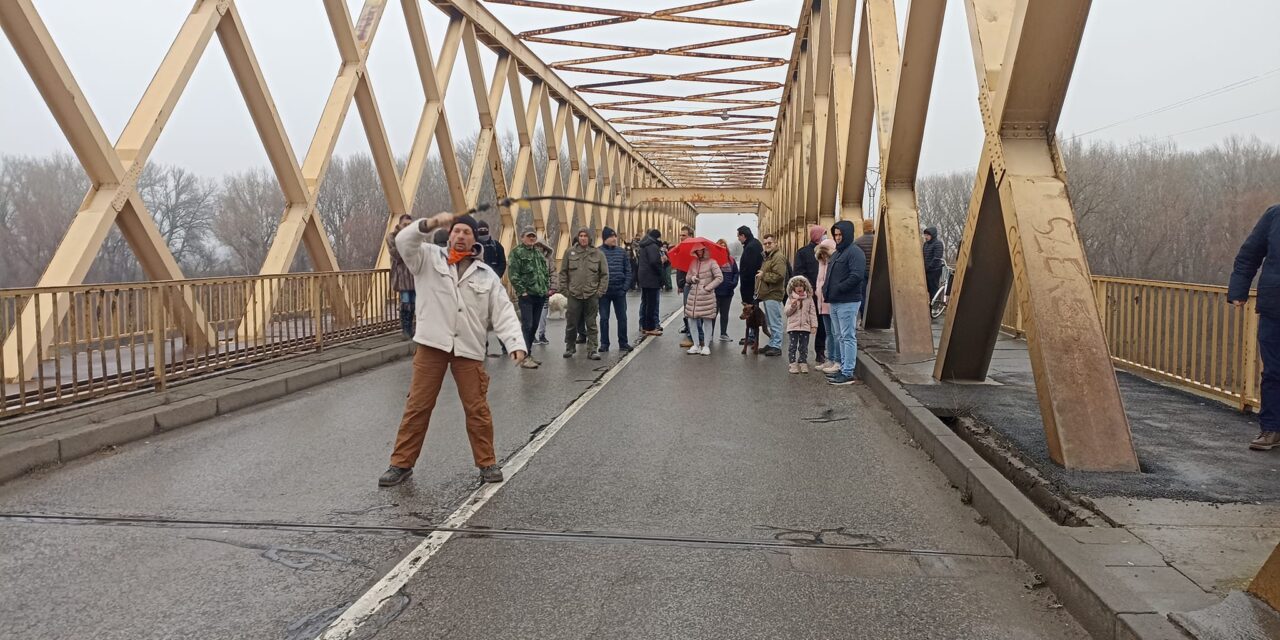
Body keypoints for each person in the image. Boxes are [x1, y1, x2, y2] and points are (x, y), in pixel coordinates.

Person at [378, 212, 525, 488]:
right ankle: (401, 463)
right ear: (450, 234)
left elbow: (503, 310)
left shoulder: (486, 275)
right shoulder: (428, 258)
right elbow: (402, 240)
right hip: (432, 344)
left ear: (474, 239)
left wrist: (515, 344)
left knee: (477, 408)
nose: (460, 236)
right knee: (418, 406)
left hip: (468, 347)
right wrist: (430, 223)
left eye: (466, 233)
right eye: (456, 231)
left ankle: (487, 463)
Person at [1229, 203, 1280, 451]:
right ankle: (1271, 429)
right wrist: (1238, 290)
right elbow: (1249, 255)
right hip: (1275, 306)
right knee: (1274, 371)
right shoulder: (1275, 215)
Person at [824, 220, 867, 386]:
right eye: (836, 234)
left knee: (848, 336)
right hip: (835, 301)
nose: (838, 237)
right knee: (840, 336)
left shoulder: (855, 252)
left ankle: (848, 372)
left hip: (848, 301)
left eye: (840, 234)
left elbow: (856, 276)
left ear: (848, 234)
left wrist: (839, 288)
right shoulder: (837, 253)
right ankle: (842, 368)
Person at [560, 228, 608, 360]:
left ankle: (592, 349)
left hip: (591, 294)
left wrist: (600, 292)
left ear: (589, 238)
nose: (583, 238)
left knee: (591, 323)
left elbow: (604, 275)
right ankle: (569, 347)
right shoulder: (569, 253)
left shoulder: (598, 254)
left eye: (585, 236)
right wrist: (564, 290)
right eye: (580, 235)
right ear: (577, 237)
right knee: (571, 323)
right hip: (574, 294)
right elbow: (563, 272)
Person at [508, 227, 549, 369]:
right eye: (529, 236)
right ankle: (524, 357)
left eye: (533, 236)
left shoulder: (538, 253)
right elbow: (513, 274)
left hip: (540, 294)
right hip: (527, 296)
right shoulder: (517, 253)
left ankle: (529, 353)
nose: (531, 238)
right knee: (527, 325)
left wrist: (546, 288)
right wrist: (522, 291)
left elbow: (544, 272)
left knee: (535, 326)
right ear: (522, 237)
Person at [683, 242, 724, 355]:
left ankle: (706, 346)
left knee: (707, 320)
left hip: (706, 296)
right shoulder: (693, 262)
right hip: (693, 297)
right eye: (697, 251)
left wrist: (707, 288)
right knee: (691, 320)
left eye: (701, 250)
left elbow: (719, 277)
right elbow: (687, 278)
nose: (699, 252)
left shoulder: (712, 262)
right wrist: (692, 278)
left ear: (705, 250)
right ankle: (696, 344)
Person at [598, 227, 634, 353]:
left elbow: (628, 270)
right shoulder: (598, 252)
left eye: (615, 236)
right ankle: (604, 343)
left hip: (619, 291)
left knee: (622, 318)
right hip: (604, 292)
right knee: (603, 318)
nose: (614, 238)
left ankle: (623, 342)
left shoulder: (622, 252)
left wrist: (625, 287)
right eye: (611, 236)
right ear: (605, 238)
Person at [794, 224, 825, 362]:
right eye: (823, 234)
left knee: (822, 324)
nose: (826, 236)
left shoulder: (827, 251)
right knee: (806, 324)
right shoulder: (803, 252)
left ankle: (820, 351)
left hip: (823, 295)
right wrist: (810, 289)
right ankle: (803, 352)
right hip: (810, 295)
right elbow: (799, 273)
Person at [756, 234, 788, 356]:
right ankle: (772, 342)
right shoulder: (768, 257)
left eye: (770, 243)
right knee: (770, 321)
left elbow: (780, 276)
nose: (767, 245)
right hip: (768, 293)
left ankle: (776, 346)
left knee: (775, 321)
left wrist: (763, 275)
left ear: (775, 243)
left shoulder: (778, 257)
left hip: (773, 293)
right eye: (765, 243)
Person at [387, 214, 416, 338]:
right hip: (402, 274)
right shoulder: (392, 237)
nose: (407, 227)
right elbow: (396, 254)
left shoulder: (415, 236)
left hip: (414, 274)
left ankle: (410, 328)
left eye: (410, 225)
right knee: (405, 301)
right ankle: (405, 329)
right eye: (405, 225)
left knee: (413, 301)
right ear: (399, 224)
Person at [815, 238, 840, 373]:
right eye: (821, 254)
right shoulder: (821, 264)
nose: (823, 257)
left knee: (836, 333)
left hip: (832, 301)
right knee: (829, 333)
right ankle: (829, 359)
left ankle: (837, 361)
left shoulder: (834, 264)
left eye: (825, 254)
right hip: (822, 302)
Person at [784, 275, 819, 374]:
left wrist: (814, 326)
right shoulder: (790, 298)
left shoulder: (809, 299)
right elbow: (787, 312)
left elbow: (812, 313)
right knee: (792, 346)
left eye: (801, 285)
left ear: (805, 287)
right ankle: (792, 363)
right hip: (793, 327)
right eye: (796, 286)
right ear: (793, 288)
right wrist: (793, 306)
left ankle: (803, 361)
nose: (799, 287)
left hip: (805, 327)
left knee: (804, 346)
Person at [636, 229, 665, 336]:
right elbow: (654, 261)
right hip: (651, 278)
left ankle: (644, 325)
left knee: (645, 302)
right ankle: (650, 327)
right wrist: (660, 271)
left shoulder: (644, 245)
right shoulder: (653, 246)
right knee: (651, 304)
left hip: (644, 277)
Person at [714, 239, 739, 342]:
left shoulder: (731, 260)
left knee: (725, 314)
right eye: (720, 246)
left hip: (728, 292)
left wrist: (733, 283)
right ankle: (709, 334)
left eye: (724, 246)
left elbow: (736, 273)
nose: (723, 248)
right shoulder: (713, 260)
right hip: (715, 291)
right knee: (712, 314)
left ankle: (723, 333)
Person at [675, 226, 695, 348]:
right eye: (680, 235)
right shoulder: (681, 249)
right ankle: (689, 331)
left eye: (684, 235)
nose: (681, 237)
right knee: (687, 309)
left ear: (690, 236)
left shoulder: (694, 250)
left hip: (693, 283)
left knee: (693, 310)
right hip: (685, 283)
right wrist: (679, 284)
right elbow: (679, 268)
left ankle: (693, 335)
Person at [534, 239, 555, 345]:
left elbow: (553, 272)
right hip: (532, 292)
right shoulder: (529, 257)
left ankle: (542, 334)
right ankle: (532, 335)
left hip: (545, 291)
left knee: (543, 314)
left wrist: (553, 287)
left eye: (540, 246)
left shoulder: (548, 259)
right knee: (533, 315)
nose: (538, 248)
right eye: (536, 246)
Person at [923, 226, 945, 301]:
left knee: (933, 289)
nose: (926, 237)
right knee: (927, 289)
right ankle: (929, 306)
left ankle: (935, 306)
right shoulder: (925, 244)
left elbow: (937, 258)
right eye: (925, 235)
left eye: (928, 235)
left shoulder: (938, 244)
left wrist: (928, 267)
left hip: (934, 270)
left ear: (932, 235)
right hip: (926, 270)